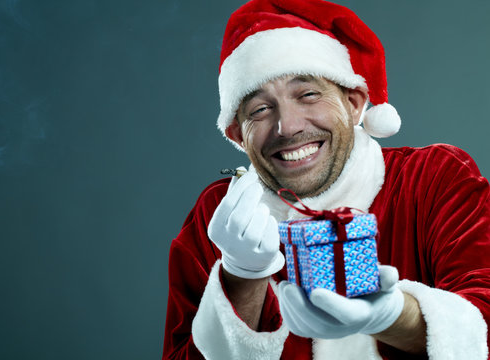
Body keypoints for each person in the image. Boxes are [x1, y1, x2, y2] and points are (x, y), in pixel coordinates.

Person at [162, 0, 490, 359]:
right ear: (239, 135)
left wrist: (394, 315)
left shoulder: (432, 178)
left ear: (353, 104)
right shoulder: (217, 218)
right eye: (260, 109)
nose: (287, 126)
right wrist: (241, 277)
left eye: (308, 94)